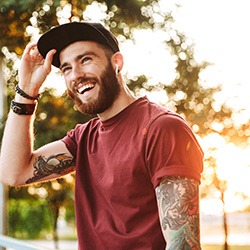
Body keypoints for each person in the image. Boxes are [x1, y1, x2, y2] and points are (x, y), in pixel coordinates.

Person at [0, 22, 204, 249]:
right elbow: (13, 173)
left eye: (85, 60)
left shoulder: (162, 128)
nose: (76, 75)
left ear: (117, 62)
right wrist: (26, 91)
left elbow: (183, 245)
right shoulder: (83, 138)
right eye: (66, 68)